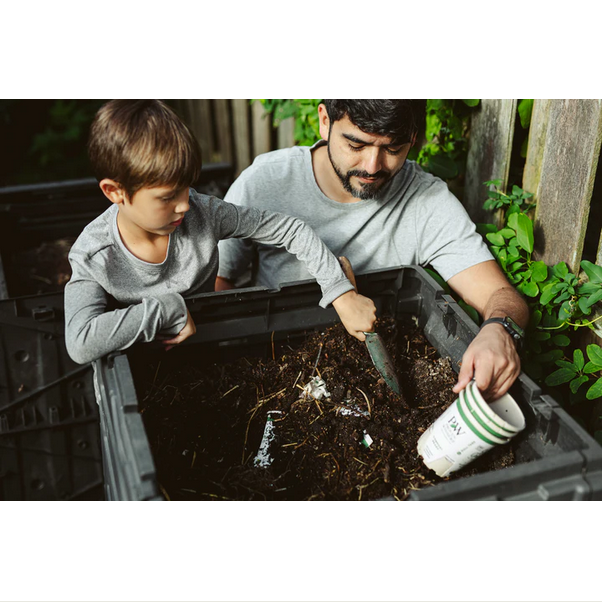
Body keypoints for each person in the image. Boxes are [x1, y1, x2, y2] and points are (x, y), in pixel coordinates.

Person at [217, 99, 529, 400]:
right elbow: (220, 282)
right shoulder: (266, 182)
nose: (372, 166)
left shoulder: (426, 202)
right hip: (275, 361)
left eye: (393, 148)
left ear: (413, 138)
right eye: (356, 145)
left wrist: (500, 331)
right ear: (325, 121)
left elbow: (499, 295)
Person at [64, 100, 377, 365]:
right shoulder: (94, 254)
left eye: (187, 189)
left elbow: (289, 228)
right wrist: (169, 309)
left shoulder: (202, 214)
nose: (184, 205)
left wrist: (339, 290)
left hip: (213, 351)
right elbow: (80, 340)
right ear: (114, 191)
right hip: (141, 367)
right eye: (168, 196)